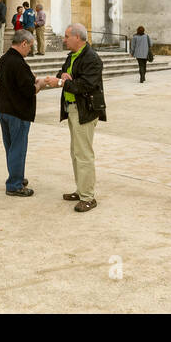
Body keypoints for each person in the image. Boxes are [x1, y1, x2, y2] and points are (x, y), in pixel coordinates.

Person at [0, 29, 63, 197]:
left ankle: (15, 176)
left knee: (11, 147)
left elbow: (17, 81)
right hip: (17, 111)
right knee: (18, 147)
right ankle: (14, 184)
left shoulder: (5, 58)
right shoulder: (18, 62)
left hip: (4, 108)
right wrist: (40, 85)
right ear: (23, 43)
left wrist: (35, 79)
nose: (30, 50)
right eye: (30, 46)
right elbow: (28, 90)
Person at [57, 24, 105, 212]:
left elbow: (84, 86)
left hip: (84, 110)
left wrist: (64, 81)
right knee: (76, 152)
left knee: (84, 154)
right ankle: (81, 189)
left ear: (78, 37)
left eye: (67, 36)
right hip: (72, 109)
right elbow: (62, 75)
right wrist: (62, 77)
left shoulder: (92, 58)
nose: (64, 39)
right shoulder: (72, 56)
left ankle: (88, 197)